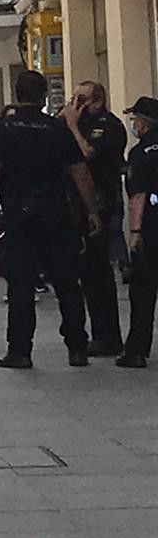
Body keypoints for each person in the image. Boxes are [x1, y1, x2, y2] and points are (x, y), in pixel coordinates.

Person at [0, 71, 102, 369]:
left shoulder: (4, 129)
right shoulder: (56, 129)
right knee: (67, 282)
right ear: (44, 95)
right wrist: (92, 210)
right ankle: (77, 346)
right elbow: (80, 172)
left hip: (20, 216)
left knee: (20, 284)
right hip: (56, 214)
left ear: (16, 93)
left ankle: (20, 350)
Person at [58, 80, 125, 355]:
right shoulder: (79, 124)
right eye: (73, 98)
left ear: (97, 100)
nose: (76, 104)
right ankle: (92, 332)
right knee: (82, 272)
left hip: (101, 203)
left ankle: (108, 335)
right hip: (74, 207)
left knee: (98, 271)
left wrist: (72, 127)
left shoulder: (109, 127)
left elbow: (86, 156)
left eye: (81, 99)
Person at [119, 97, 158, 368]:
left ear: (143, 124)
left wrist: (134, 232)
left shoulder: (141, 153)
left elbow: (138, 196)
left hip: (152, 227)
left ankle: (136, 350)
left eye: (135, 120)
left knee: (143, 290)